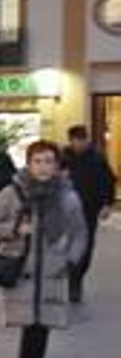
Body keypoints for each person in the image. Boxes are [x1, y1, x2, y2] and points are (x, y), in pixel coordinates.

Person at [0, 140, 88, 358]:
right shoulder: (12, 193)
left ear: (57, 165)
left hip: (52, 276)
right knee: (30, 333)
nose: (43, 167)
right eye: (38, 161)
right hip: (23, 276)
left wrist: (70, 261)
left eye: (49, 161)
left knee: (39, 335)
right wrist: (15, 229)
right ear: (28, 164)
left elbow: (80, 234)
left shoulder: (67, 197)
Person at [60, 125, 116, 303]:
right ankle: (69, 278)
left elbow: (108, 181)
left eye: (82, 140)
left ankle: (76, 280)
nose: (79, 144)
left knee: (85, 246)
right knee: (66, 245)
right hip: (65, 210)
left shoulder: (97, 157)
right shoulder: (62, 158)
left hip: (89, 209)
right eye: (75, 140)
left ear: (87, 139)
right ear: (70, 140)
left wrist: (107, 203)